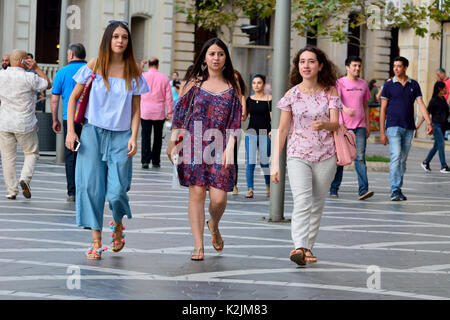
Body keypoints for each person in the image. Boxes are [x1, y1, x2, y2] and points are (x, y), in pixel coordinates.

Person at [65, 21, 149, 260]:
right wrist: (72, 131)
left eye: (124, 37)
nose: (120, 41)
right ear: (108, 40)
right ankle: (96, 241)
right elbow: (73, 99)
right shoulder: (94, 65)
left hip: (121, 137)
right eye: (115, 37)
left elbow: (136, 109)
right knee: (91, 188)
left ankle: (118, 222)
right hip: (92, 134)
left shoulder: (134, 71)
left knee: (117, 192)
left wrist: (134, 136)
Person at [167, 38, 242, 261]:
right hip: (193, 143)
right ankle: (198, 245)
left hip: (220, 145)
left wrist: (230, 147)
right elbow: (180, 114)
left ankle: (214, 224)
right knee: (197, 193)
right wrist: (172, 142)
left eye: (220, 54)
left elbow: (236, 121)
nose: (216, 58)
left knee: (219, 199)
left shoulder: (232, 87)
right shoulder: (194, 84)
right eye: (212, 54)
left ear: (225, 57)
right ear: (205, 57)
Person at [272, 46, 340, 266]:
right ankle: (299, 246)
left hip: (326, 155)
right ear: (297, 66)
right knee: (302, 201)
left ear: (320, 66)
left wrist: (324, 124)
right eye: (302, 61)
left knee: (317, 203)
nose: (306, 65)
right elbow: (282, 130)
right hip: (298, 154)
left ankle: (308, 247)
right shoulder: (291, 95)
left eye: (311, 61)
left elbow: (336, 123)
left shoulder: (330, 91)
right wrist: (275, 163)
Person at [380, 56, 433, 201]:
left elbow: (421, 104)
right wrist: (382, 132)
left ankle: (398, 188)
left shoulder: (413, 85)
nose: (396, 69)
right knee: (396, 155)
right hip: (393, 125)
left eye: (399, 66)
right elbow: (383, 109)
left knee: (402, 159)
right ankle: (395, 189)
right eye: (394, 66)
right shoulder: (389, 85)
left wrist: (429, 122)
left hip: (409, 127)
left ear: (405, 68)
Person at [0, 49, 51, 200]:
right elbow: (47, 84)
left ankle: (11, 190)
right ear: (23, 61)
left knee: (8, 158)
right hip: (24, 123)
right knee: (31, 153)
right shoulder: (29, 77)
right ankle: (25, 178)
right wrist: (35, 68)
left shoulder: (1, 75)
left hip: (4, 122)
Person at [329, 56, 374, 200]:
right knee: (341, 158)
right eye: (354, 65)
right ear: (347, 67)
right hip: (343, 127)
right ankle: (334, 188)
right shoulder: (339, 83)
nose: (357, 68)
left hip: (360, 126)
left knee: (360, 158)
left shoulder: (363, 84)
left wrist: (367, 125)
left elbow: (366, 106)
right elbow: (335, 102)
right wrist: (345, 109)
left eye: (359, 66)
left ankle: (363, 190)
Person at [51, 43, 88, 202]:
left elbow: (54, 100)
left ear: (71, 55)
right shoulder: (91, 71)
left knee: (71, 154)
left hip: (70, 119)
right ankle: (86, 188)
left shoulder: (62, 72)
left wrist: (55, 119)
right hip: (89, 119)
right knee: (88, 154)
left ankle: (72, 192)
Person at [139, 57, 174, 169]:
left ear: (149, 65)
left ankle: (145, 160)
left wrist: (141, 67)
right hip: (159, 112)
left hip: (145, 111)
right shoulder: (164, 79)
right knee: (158, 137)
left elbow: (134, 79)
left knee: (145, 136)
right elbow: (169, 97)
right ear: (158, 65)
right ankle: (156, 160)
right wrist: (170, 112)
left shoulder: (143, 76)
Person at [243, 74, 272, 199]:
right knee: (250, 163)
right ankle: (250, 189)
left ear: (264, 85)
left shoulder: (270, 99)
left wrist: (273, 132)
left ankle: (268, 186)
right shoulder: (249, 99)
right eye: (254, 83)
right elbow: (244, 116)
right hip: (251, 133)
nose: (256, 85)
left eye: (259, 83)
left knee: (264, 162)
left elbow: (273, 118)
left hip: (265, 133)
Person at [416, 81, 450, 173]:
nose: (446, 90)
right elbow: (426, 113)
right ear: (440, 89)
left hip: (443, 125)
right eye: (444, 88)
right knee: (441, 144)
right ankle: (444, 166)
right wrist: (418, 125)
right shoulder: (434, 100)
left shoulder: (443, 99)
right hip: (436, 125)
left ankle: (426, 162)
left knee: (436, 146)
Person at [232, 70, 247, 195]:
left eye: (237, 79)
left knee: (233, 157)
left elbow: (243, 116)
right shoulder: (224, 95)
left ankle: (234, 184)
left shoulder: (241, 97)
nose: (234, 82)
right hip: (219, 131)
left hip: (235, 130)